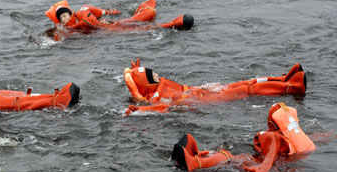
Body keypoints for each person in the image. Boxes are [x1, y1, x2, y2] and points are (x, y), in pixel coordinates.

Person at [171, 102, 316, 172]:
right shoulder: (301, 142)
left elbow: (273, 143)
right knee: (225, 157)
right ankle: (197, 157)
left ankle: (194, 163)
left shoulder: (272, 135)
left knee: (226, 156)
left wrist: (263, 167)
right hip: (280, 171)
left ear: (273, 123)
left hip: (255, 166)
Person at [124, 59, 306, 114]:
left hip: (202, 91)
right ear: (147, 82)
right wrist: (138, 108)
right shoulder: (154, 97)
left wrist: (135, 73)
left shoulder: (158, 87)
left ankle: (283, 79)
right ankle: (292, 87)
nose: (156, 74)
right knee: (244, 90)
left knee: (244, 83)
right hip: (205, 100)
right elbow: (158, 108)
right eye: (152, 74)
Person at [45, 0, 193, 32]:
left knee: (146, 17)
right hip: (110, 34)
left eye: (65, 15)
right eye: (62, 18)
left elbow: (94, 10)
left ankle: (176, 23)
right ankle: (176, 23)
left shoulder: (82, 14)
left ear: (70, 13)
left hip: (113, 27)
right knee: (143, 29)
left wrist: (108, 12)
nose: (65, 19)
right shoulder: (67, 31)